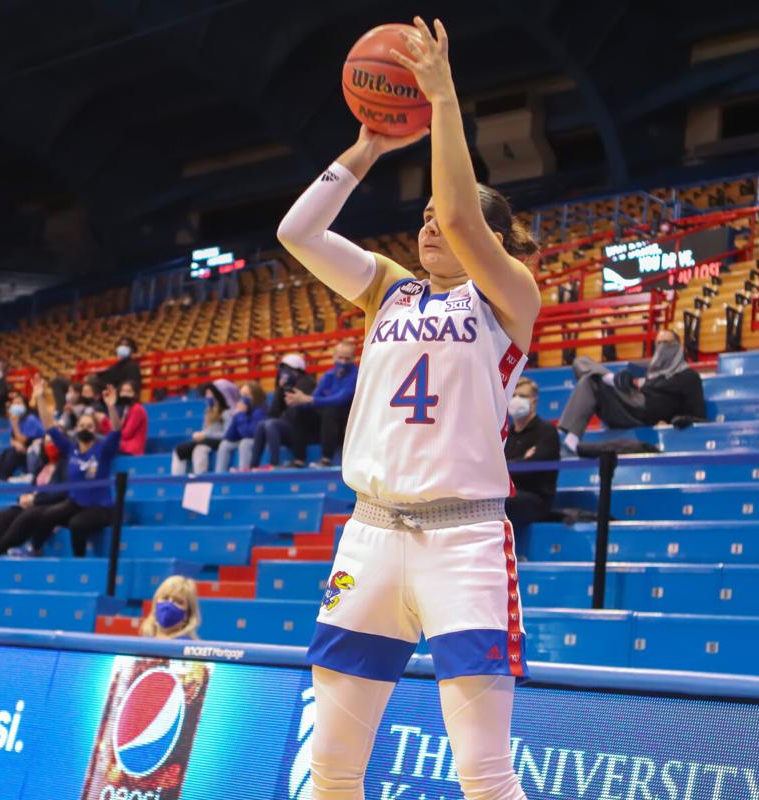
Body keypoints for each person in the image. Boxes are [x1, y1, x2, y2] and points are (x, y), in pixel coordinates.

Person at [276, 18, 540, 799]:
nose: (431, 223)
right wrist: (368, 145)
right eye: (421, 216)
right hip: (371, 533)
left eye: (444, 217)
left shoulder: (511, 294)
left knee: (483, 774)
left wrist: (443, 97)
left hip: (463, 541)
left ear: (498, 241)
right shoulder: (386, 287)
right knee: (330, 768)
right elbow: (297, 230)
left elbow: (463, 216)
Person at [558, 331, 706, 456]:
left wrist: (680, 419)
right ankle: (572, 441)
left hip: (645, 412)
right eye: (658, 343)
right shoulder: (651, 368)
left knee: (591, 379)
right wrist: (626, 380)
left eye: (666, 343)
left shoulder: (689, 377)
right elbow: (632, 375)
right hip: (631, 404)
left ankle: (611, 380)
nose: (661, 347)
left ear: (678, 347)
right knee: (583, 367)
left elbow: (698, 415)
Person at [27, 377, 120, 557]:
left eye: (90, 426)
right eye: (82, 425)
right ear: (76, 428)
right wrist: (39, 397)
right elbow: (49, 426)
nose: (85, 428)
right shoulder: (71, 447)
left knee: (77, 523)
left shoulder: (104, 449)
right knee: (47, 515)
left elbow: (116, 430)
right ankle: (35, 549)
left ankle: (79, 563)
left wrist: (111, 407)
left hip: (101, 508)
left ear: (96, 429)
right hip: (76, 503)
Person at [0, 435, 68, 557]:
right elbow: (31, 489)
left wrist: (35, 499)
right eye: (47, 442)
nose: (50, 445)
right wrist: (23, 498)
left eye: (53, 442)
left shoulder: (65, 465)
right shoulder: (42, 467)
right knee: (4, 514)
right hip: (33, 504)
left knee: (25, 517)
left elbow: (61, 493)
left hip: (50, 507)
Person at [503, 378, 561, 558]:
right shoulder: (506, 434)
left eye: (522, 395)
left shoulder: (547, 432)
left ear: (534, 400)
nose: (516, 399)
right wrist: (521, 460)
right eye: (513, 395)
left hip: (535, 500)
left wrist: (509, 465)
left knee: (500, 500)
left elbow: (531, 471)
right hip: (509, 492)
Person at [283, 341, 359, 467]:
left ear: (353, 358)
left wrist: (309, 399)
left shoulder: (356, 374)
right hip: (328, 421)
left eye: (347, 358)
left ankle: (326, 459)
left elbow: (342, 399)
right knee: (300, 412)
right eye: (340, 358)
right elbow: (314, 399)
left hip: (348, 418)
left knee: (331, 409)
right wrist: (298, 401)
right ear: (334, 357)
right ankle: (299, 460)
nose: (343, 362)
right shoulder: (328, 375)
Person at [249, 353, 317, 468]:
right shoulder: (284, 385)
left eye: (288, 369)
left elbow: (298, 411)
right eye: (283, 369)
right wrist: (280, 389)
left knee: (271, 424)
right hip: (289, 427)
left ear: (297, 371)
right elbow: (274, 412)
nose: (284, 373)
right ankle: (253, 466)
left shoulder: (307, 381)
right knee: (262, 425)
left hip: (304, 429)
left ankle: (273, 463)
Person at [170, 380, 239, 475]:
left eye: (210, 394)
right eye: (206, 394)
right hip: (206, 441)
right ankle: (177, 481)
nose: (208, 397)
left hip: (218, 441)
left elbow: (227, 434)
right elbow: (205, 431)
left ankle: (200, 480)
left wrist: (205, 435)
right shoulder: (208, 412)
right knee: (179, 451)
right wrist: (201, 435)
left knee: (199, 449)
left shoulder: (226, 413)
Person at [214, 382, 268, 472]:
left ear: (255, 396)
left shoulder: (260, 411)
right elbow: (229, 436)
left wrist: (241, 415)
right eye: (241, 395)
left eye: (246, 395)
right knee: (225, 444)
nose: (243, 398)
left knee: (245, 442)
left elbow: (249, 434)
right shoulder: (243, 411)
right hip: (245, 438)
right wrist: (237, 414)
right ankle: (219, 475)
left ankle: (244, 473)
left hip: (259, 440)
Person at [0, 392, 44, 480]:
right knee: (4, 454)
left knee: (12, 454)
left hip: (35, 451)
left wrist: (15, 425)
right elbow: (12, 439)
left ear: (25, 406)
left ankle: (2, 479)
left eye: (19, 403)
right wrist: (16, 444)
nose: (16, 406)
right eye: (14, 403)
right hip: (21, 449)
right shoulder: (15, 419)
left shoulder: (30, 419)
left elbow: (23, 440)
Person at [138, 575, 203, 639]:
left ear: (187, 614)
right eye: (165, 598)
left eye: (178, 601)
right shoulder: (145, 640)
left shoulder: (186, 646)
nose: (169, 604)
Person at [111, 379, 149, 456]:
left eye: (129, 392)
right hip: (123, 447)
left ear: (135, 394)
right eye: (122, 391)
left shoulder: (137, 409)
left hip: (131, 450)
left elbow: (126, 434)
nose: (125, 394)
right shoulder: (126, 408)